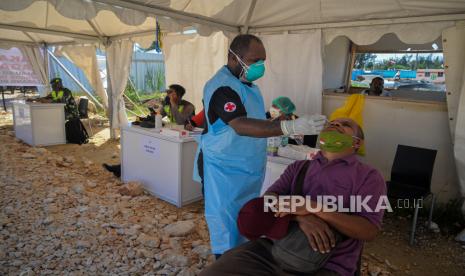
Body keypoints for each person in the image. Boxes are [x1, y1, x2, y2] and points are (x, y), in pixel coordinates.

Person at [200, 118, 387, 276]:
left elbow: (368, 230)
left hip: (329, 264)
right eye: (331, 123)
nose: (334, 124)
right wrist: (300, 216)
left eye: (344, 124)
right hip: (273, 248)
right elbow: (268, 201)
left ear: (356, 143)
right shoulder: (299, 167)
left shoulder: (369, 177)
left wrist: (315, 208)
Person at [198, 34, 326, 258]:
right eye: (254, 60)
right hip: (223, 169)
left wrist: (279, 122)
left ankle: (242, 260)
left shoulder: (248, 86)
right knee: (225, 224)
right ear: (233, 58)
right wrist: (291, 128)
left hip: (246, 167)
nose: (259, 66)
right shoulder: (222, 87)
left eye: (262, 61)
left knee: (246, 218)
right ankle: (226, 266)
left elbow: (255, 121)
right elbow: (240, 125)